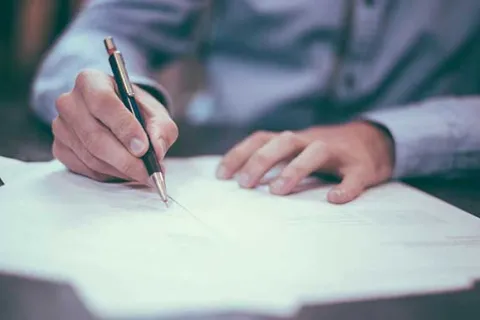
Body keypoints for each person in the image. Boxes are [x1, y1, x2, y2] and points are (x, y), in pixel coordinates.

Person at [32, 0, 480, 204]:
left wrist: (386, 138)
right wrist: (112, 106)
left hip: (437, 180)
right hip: (230, 165)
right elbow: (106, 28)